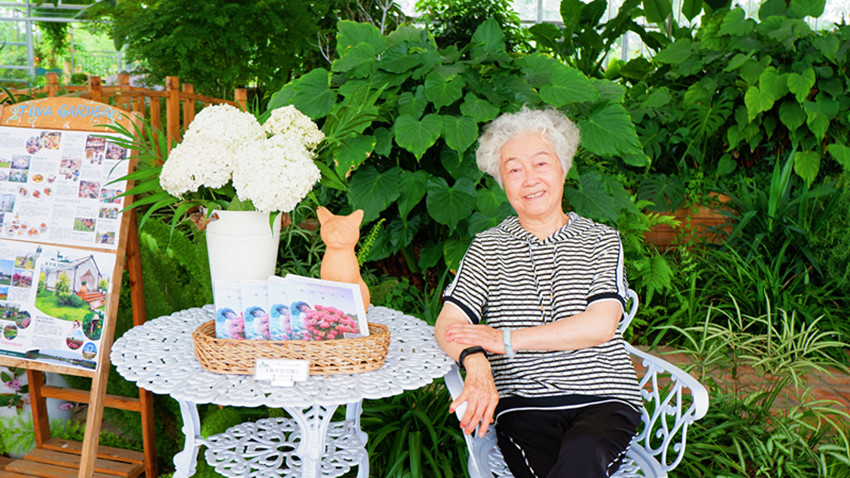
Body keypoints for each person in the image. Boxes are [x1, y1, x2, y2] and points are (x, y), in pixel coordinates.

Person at [435, 107, 643, 478]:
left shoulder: (601, 241)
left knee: (584, 450)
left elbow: (600, 325)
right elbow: (449, 323)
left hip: (604, 399)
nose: (530, 179)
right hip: (525, 404)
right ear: (502, 183)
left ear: (563, 168)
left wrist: (504, 340)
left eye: (541, 163)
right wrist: (475, 361)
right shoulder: (488, 247)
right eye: (514, 169)